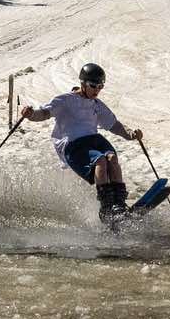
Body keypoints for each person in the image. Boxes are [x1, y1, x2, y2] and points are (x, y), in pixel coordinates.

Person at [20, 63, 144, 224]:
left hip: (94, 140)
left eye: (100, 86)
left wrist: (131, 134)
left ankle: (119, 206)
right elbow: (44, 113)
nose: (97, 90)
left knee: (112, 158)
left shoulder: (96, 104)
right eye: (93, 86)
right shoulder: (66, 100)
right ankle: (106, 209)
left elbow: (113, 124)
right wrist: (30, 114)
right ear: (83, 83)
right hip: (73, 145)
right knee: (100, 161)